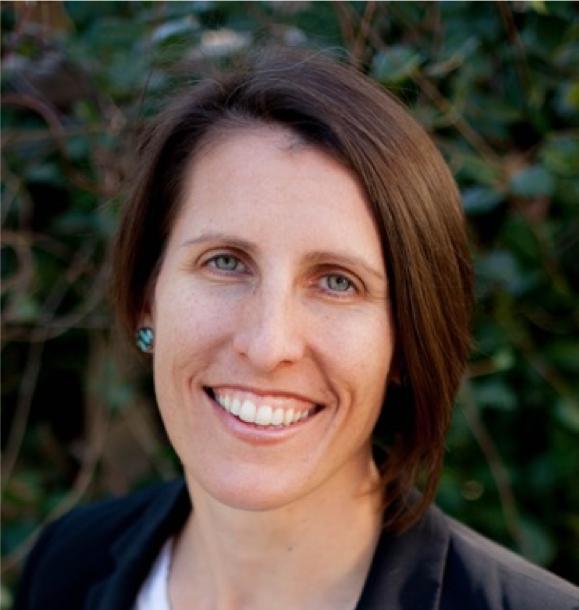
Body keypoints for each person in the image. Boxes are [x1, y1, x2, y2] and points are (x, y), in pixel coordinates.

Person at [14, 48, 579, 610]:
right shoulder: (67, 565)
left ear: (406, 341)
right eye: (226, 262)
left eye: (337, 282)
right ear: (147, 298)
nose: (267, 346)